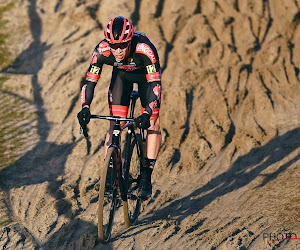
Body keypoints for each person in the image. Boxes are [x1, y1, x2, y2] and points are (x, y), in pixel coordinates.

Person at [77, 16, 162, 200]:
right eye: (113, 46)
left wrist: (147, 112)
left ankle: (146, 176)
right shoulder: (102, 50)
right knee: (115, 123)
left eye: (123, 45)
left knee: (152, 122)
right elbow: (90, 82)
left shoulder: (144, 49)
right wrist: (85, 106)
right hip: (122, 79)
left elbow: (155, 85)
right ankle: (110, 174)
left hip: (145, 80)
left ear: (130, 40)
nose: (118, 51)